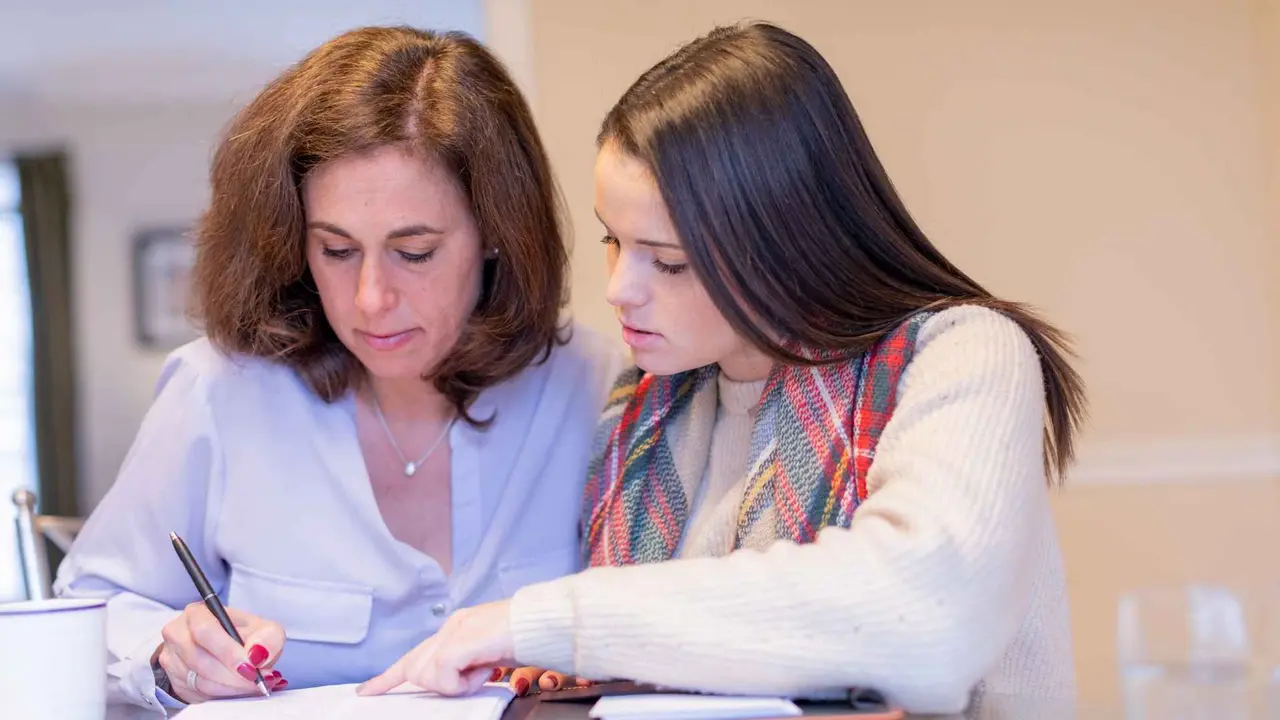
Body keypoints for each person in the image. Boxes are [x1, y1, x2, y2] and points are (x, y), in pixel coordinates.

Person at [358, 21, 1087, 715]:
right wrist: (580, 658)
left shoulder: (964, 354)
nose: (619, 289)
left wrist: (553, 622)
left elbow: (927, 619)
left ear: (783, 244)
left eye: (669, 261)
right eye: (614, 240)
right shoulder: (645, 406)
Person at [54, 25, 623, 714]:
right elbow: (92, 607)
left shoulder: (593, 385)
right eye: (337, 250)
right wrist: (167, 655)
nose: (371, 299)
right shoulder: (219, 392)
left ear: (496, 234)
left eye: (414, 253)